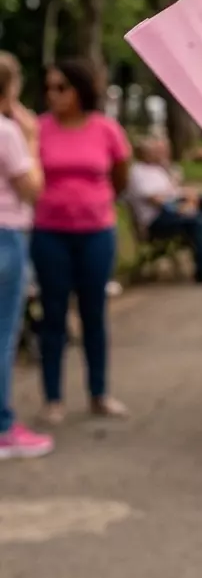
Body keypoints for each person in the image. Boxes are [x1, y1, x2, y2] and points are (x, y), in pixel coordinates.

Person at [31, 58, 131, 425]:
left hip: (96, 233)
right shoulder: (39, 129)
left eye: (61, 87)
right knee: (53, 315)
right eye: (49, 88)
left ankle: (99, 393)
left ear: (80, 90)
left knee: (94, 314)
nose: (52, 95)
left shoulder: (105, 130)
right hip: (50, 234)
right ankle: (53, 398)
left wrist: (97, 202)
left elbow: (120, 176)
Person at [0, 54, 52, 458]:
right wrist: (32, 139)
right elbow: (31, 187)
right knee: (4, 335)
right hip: (6, 236)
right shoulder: (8, 132)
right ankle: (3, 425)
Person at [126, 136, 202, 283]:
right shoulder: (138, 172)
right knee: (199, 222)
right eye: (156, 151)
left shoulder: (159, 170)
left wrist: (188, 196)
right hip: (155, 220)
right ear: (145, 153)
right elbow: (156, 200)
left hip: (171, 212)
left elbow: (173, 191)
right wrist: (180, 207)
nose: (161, 154)